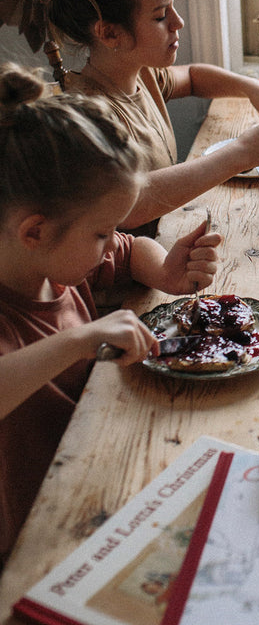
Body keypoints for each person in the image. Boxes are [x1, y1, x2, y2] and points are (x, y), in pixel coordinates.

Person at [0, 63, 223, 561]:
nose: (109, 244)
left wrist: (164, 271)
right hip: (36, 541)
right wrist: (80, 339)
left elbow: (127, 250)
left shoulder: (54, 260)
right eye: (99, 231)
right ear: (34, 232)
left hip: (100, 473)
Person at [13, 0, 259, 230]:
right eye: (160, 15)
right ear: (110, 33)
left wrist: (251, 87)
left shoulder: (142, 74)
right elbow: (129, 204)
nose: (178, 22)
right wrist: (242, 152)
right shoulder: (88, 115)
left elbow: (193, 77)